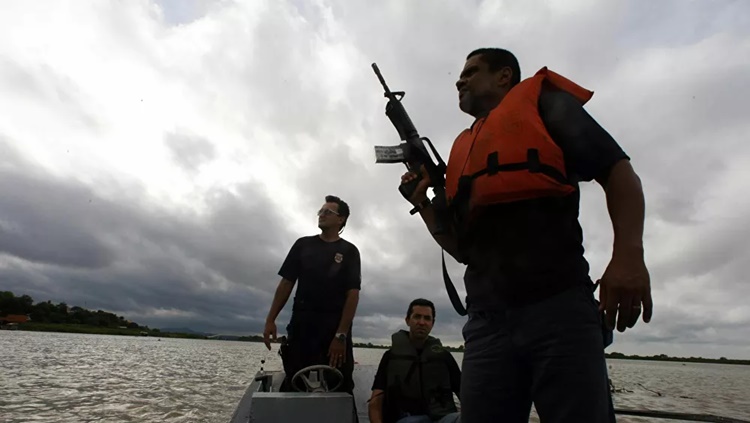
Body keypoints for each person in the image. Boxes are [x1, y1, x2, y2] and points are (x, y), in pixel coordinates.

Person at [399, 48, 652, 422]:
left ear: (505, 76)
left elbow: (618, 171)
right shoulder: (462, 151)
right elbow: (462, 249)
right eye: (460, 74)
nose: (459, 79)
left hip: (559, 310)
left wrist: (628, 255)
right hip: (486, 323)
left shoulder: (545, 103)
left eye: (471, 71)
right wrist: (424, 206)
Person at [263, 195, 362, 396]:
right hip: (302, 328)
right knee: (295, 383)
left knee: (340, 385)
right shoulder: (302, 245)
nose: (322, 214)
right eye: (321, 211)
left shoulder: (350, 251)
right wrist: (270, 319)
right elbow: (286, 283)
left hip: (334, 330)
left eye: (328, 212)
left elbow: (352, 295)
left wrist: (340, 336)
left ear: (341, 219)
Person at [368, 298, 462, 423]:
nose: (422, 322)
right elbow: (375, 402)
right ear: (407, 320)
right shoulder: (390, 357)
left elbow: (465, 395)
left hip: (442, 418)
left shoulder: (444, 357)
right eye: (417, 317)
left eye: (427, 318)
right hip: (406, 418)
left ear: (432, 323)